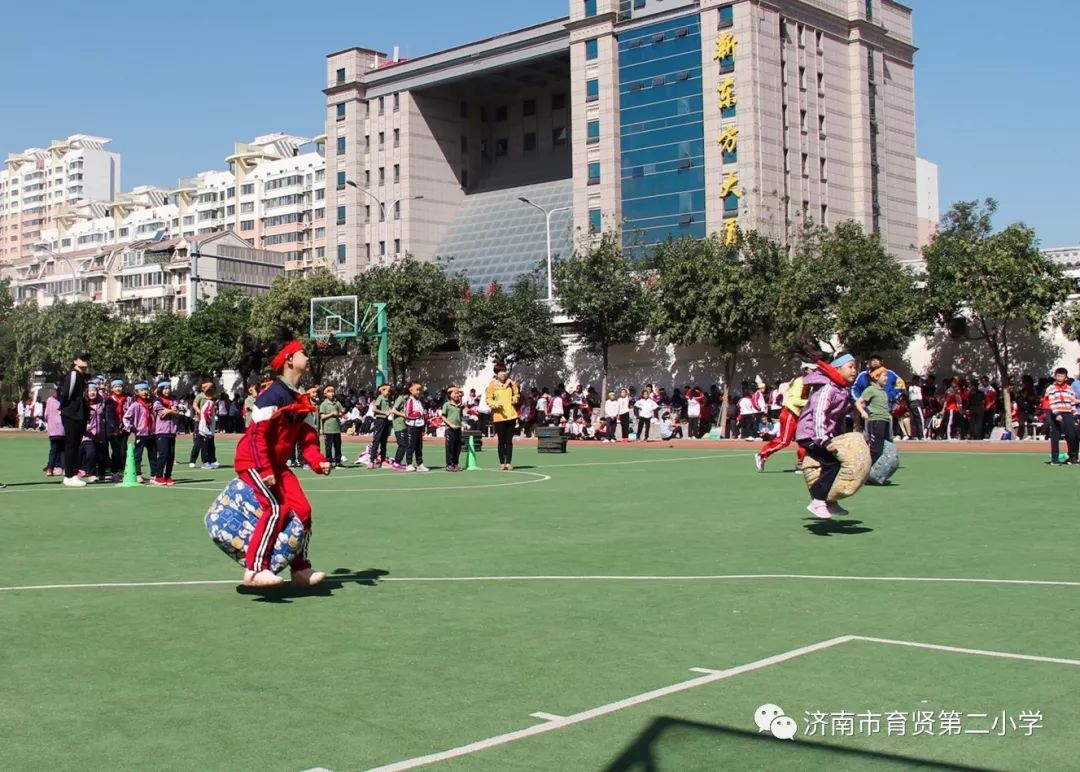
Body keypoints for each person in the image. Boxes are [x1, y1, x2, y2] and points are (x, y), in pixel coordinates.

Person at [233, 340, 333, 588]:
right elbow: (257, 435)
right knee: (276, 508)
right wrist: (265, 469)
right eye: (304, 354)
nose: (308, 358)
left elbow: (309, 440)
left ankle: (299, 569)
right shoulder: (272, 395)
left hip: (277, 465)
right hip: (254, 461)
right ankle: (255, 570)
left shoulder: (302, 398)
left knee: (303, 511)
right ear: (290, 359)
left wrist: (318, 462)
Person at [795, 353, 859, 520]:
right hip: (810, 433)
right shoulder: (828, 388)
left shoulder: (843, 389)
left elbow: (838, 418)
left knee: (839, 462)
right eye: (850, 367)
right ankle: (818, 500)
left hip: (824, 434)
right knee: (832, 461)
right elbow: (818, 414)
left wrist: (839, 437)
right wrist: (824, 439)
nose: (854, 370)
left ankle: (829, 500)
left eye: (855, 367)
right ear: (837, 368)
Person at [756, 364, 814, 473]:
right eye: (813, 369)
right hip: (790, 413)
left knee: (805, 440)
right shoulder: (799, 382)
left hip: (799, 414)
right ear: (806, 370)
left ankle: (801, 464)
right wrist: (812, 403)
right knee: (784, 441)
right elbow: (794, 401)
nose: (815, 371)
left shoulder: (810, 383)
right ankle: (762, 454)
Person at [59, 352, 91, 488]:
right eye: (82, 359)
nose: (86, 361)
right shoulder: (73, 375)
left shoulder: (82, 376)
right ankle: (69, 476)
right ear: (75, 361)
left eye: (87, 359)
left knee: (76, 445)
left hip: (79, 414)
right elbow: (66, 393)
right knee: (71, 445)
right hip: (72, 414)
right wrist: (66, 407)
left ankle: (73, 473)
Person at [485, 363, 521, 471]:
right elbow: (488, 400)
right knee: (501, 441)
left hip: (511, 415)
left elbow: (516, 394)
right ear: (496, 373)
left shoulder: (511, 383)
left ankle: (509, 462)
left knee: (509, 441)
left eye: (504, 371)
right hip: (499, 416)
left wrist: (514, 399)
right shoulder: (492, 385)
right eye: (500, 371)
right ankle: (502, 462)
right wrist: (496, 404)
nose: (503, 373)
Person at [856, 366, 892, 465]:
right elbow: (858, 402)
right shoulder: (871, 389)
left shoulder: (883, 391)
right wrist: (863, 412)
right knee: (875, 450)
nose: (887, 378)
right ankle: (864, 470)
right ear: (876, 377)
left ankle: (874, 473)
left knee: (883, 448)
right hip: (876, 421)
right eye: (884, 375)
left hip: (885, 421)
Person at [1044, 367, 1079, 465]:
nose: (1059, 378)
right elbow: (1052, 402)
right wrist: (1057, 413)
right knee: (1055, 436)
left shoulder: (1069, 388)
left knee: (1071, 435)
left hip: (1068, 413)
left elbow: (1072, 402)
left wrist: (1075, 415)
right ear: (1055, 377)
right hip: (1056, 413)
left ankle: (1072, 457)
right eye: (1058, 376)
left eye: (1062, 376)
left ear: (1065, 378)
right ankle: (1055, 459)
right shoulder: (1051, 388)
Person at [123, 383, 154, 483]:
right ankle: (138, 474)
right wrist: (131, 428)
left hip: (152, 433)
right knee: (138, 455)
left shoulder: (151, 404)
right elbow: (126, 418)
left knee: (153, 455)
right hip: (141, 434)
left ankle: (154, 474)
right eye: (142, 390)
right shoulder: (135, 405)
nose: (145, 392)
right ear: (137, 392)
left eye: (146, 389)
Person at [152, 381, 180, 485]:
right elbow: (161, 414)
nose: (167, 390)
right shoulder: (157, 401)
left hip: (172, 431)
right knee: (163, 454)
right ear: (160, 389)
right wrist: (171, 411)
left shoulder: (173, 400)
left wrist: (170, 411)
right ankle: (158, 476)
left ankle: (168, 476)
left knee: (171, 455)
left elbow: (178, 413)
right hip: (161, 432)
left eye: (168, 388)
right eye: (164, 388)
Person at [104, 379, 129, 481]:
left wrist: (126, 425)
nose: (118, 388)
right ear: (112, 388)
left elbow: (130, 413)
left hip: (124, 429)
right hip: (113, 430)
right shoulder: (109, 400)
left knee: (123, 451)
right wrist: (114, 427)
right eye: (116, 386)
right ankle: (114, 471)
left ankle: (122, 470)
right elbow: (108, 416)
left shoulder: (127, 399)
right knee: (116, 451)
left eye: (120, 386)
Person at [402, 380, 429, 472]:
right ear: (411, 390)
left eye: (420, 390)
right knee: (411, 445)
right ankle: (409, 463)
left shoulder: (419, 401)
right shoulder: (410, 401)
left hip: (419, 425)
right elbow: (407, 414)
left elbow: (423, 412)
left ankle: (420, 464)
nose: (419, 392)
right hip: (412, 426)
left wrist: (425, 416)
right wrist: (418, 414)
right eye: (417, 390)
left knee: (419, 446)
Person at [189, 382, 214, 468]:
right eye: (208, 386)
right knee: (197, 442)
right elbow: (194, 405)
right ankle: (192, 460)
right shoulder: (200, 396)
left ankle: (208, 460)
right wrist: (200, 413)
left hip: (208, 422)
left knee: (208, 443)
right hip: (199, 421)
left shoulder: (212, 396)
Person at [368, 383, 393, 469]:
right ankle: (371, 461)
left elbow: (387, 409)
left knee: (384, 441)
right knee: (377, 440)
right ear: (382, 391)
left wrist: (390, 410)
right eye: (387, 390)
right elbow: (374, 409)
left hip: (385, 420)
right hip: (380, 420)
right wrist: (384, 412)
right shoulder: (380, 398)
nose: (389, 392)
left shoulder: (387, 399)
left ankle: (383, 460)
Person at [319, 386, 346, 466]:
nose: (331, 393)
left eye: (333, 391)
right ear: (325, 394)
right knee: (328, 446)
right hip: (328, 429)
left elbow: (341, 412)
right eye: (329, 392)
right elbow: (322, 417)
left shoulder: (337, 403)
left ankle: (338, 461)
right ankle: (329, 461)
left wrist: (341, 413)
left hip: (336, 428)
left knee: (338, 446)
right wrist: (331, 414)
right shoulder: (324, 404)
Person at [442, 386, 466, 471]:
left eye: (458, 393)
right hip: (450, 429)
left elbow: (460, 418)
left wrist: (463, 424)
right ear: (449, 395)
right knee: (450, 448)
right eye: (455, 393)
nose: (457, 395)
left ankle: (456, 464)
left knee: (457, 448)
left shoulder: (460, 406)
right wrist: (451, 425)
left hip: (458, 429)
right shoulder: (447, 405)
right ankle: (449, 464)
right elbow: (443, 417)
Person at [43, 384, 64, 476]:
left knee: (53, 450)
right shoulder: (64, 400)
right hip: (63, 429)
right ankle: (63, 468)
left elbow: (46, 415)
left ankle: (50, 468)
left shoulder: (50, 400)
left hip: (52, 431)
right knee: (63, 450)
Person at [197, 385, 220, 470]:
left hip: (207, 428)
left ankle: (210, 461)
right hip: (206, 429)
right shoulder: (210, 403)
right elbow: (207, 414)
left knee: (210, 446)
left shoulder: (209, 403)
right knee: (205, 446)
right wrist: (209, 422)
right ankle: (205, 462)